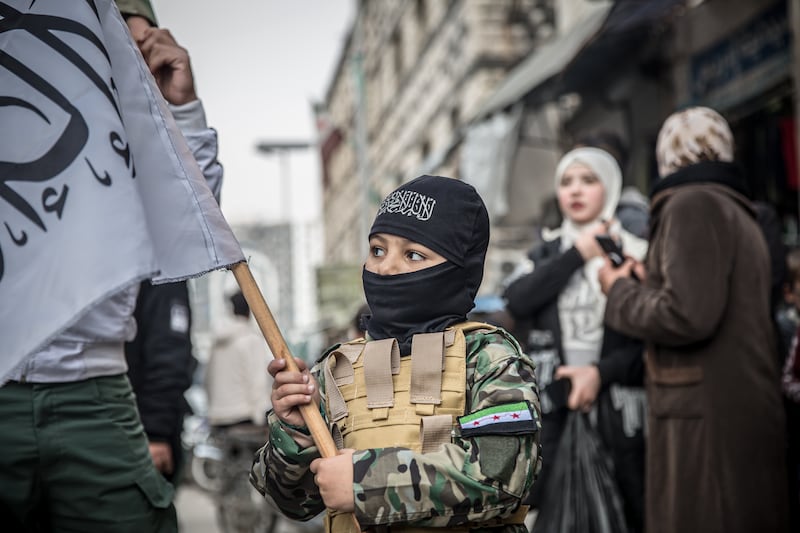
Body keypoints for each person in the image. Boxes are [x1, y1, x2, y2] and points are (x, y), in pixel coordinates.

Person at [0, 1, 223, 529]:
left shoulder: (124, 131)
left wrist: (181, 109)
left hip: (95, 394)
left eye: (134, 46)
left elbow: (191, 226)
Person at [250, 175, 542, 533]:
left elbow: (502, 479)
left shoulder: (487, 357)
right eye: (377, 250)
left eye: (413, 254)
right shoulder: (336, 367)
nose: (386, 267)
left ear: (457, 270)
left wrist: (363, 483)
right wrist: (295, 434)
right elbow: (293, 503)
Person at [598, 106, 789, 533]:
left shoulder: (692, 204)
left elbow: (686, 315)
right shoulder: (735, 208)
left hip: (705, 422)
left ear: (667, 157)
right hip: (733, 407)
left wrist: (619, 289)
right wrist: (648, 281)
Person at [502, 147, 647, 532]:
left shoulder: (637, 253)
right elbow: (518, 298)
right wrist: (579, 254)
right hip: (555, 410)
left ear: (611, 187)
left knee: (628, 510)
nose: (576, 191)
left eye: (589, 180)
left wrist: (599, 373)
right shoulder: (547, 253)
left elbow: (651, 343)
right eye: (567, 181)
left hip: (621, 409)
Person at [205, 290, 273, 432]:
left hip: (218, 418)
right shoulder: (251, 339)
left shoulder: (217, 342)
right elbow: (257, 382)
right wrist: (260, 418)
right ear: (250, 310)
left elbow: (208, 379)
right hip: (244, 418)